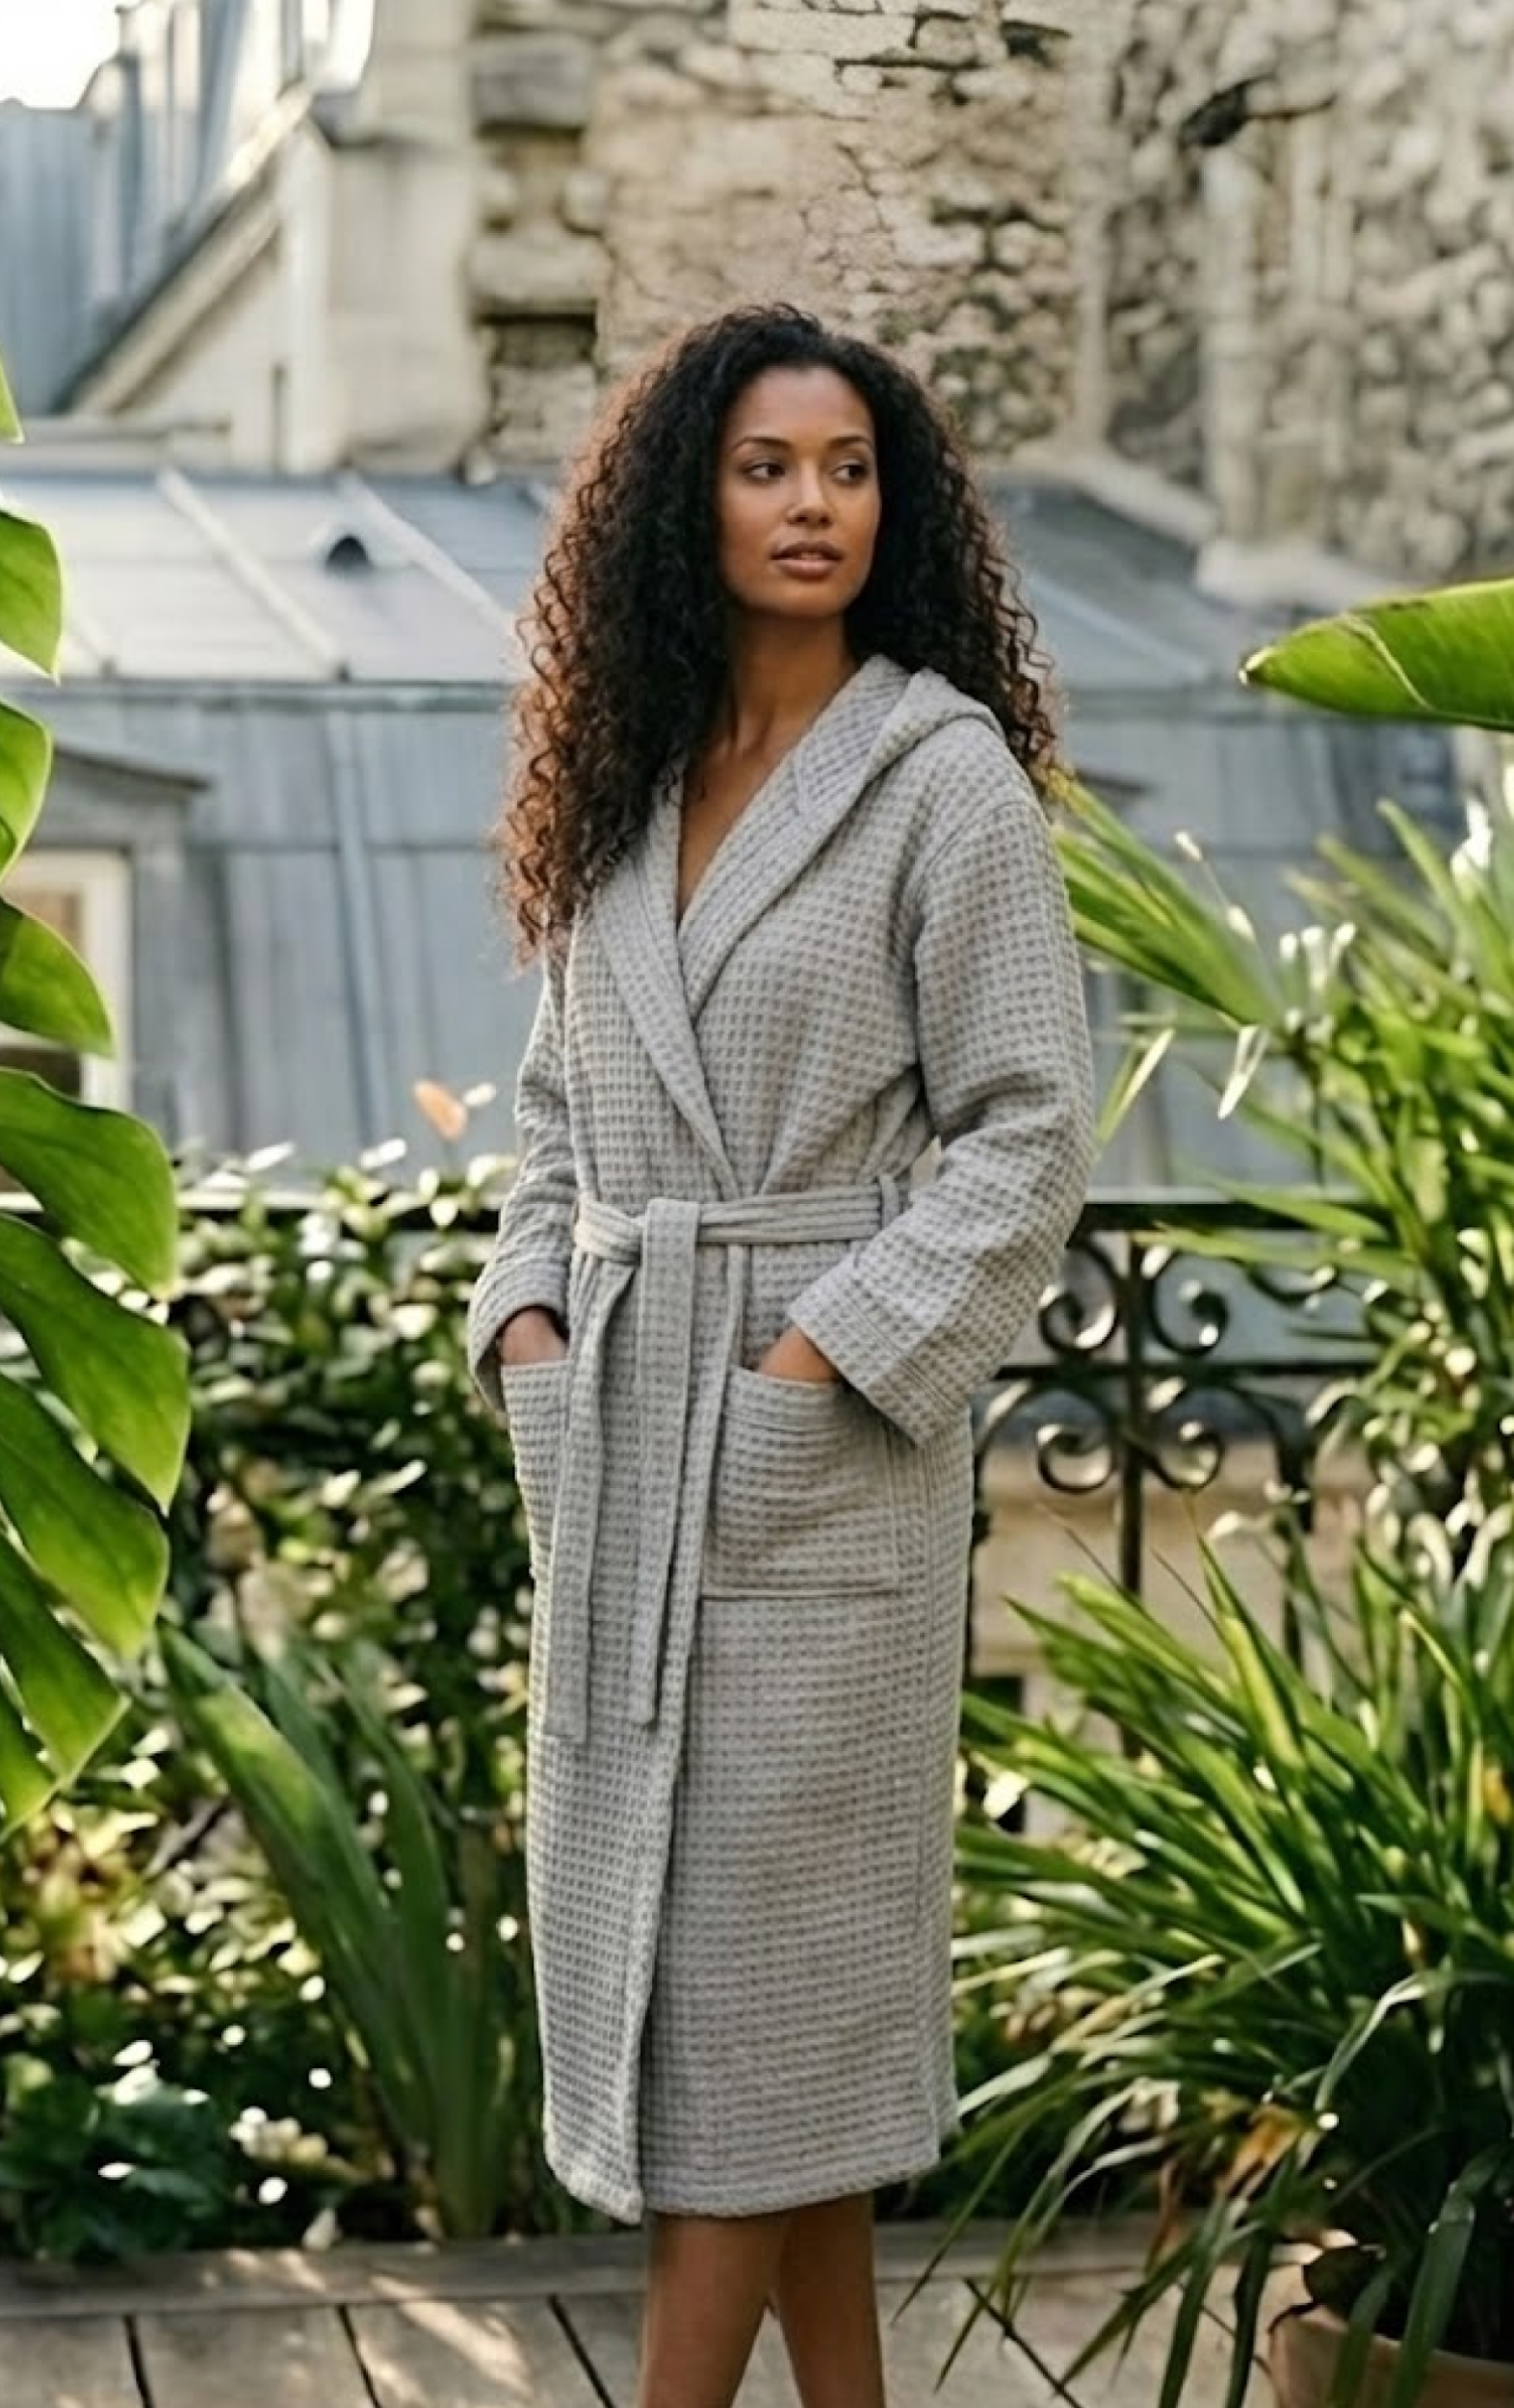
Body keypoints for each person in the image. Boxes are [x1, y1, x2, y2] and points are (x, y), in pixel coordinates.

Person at [466, 300, 1094, 2408]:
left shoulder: (942, 781)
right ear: (688, 501)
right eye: (763, 465)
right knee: (728, 2018)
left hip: (811, 1460)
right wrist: (534, 1323)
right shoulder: (631, 780)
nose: (810, 502)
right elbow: (554, 1110)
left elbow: (1025, 1131)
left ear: (889, 505)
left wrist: (820, 1361)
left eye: (845, 467)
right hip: (630, 1433)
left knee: (741, 2029)